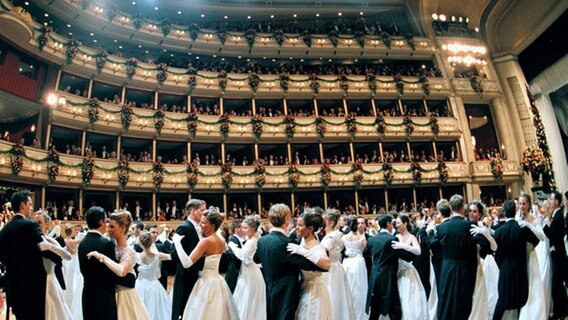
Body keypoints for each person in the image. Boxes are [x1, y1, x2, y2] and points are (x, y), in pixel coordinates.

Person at [0, 191, 67, 319]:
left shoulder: (5, 230)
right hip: (33, 287)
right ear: (23, 205)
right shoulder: (30, 225)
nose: (31, 208)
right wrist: (59, 259)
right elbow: (45, 249)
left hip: (14, 287)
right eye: (30, 204)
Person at [254, 203, 326, 320]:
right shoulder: (286, 243)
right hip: (287, 293)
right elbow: (309, 265)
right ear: (287, 219)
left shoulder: (262, 240)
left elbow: (256, 258)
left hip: (269, 288)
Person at [428, 195, 491, 320]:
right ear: (463, 207)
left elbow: (431, 244)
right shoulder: (470, 226)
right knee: (465, 302)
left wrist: (430, 232)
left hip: (447, 269)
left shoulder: (441, 228)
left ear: (451, 208)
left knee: (448, 301)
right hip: (466, 269)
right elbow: (486, 246)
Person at [172, 207, 239, 319]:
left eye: (203, 223)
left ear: (212, 225)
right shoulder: (221, 240)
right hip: (217, 281)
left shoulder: (206, 242)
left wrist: (177, 243)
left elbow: (187, 263)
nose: (200, 225)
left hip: (206, 283)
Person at [85, 210, 150, 320]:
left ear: (122, 228)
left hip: (125, 296)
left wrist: (102, 257)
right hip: (109, 295)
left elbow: (121, 271)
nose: (108, 229)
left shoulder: (129, 251)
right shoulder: (109, 246)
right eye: (108, 226)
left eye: (112, 227)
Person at [493, 200, 538, 319]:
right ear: (515, 211)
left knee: (502, 298)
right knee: (520, 297)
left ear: (504, 213)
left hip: (505, 267)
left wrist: (501, 264)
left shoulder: (499, 231)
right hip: (520, 266)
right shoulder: (522, 229)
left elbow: (496, 252)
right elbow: (536, 241)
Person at [366, 214, 415, 320]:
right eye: (391, 223)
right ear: (388, 223)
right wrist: (411, 250)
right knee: (394, 307)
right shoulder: (391, 239)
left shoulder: (371, 240)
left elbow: (366, 253)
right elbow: (406, 256)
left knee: (375, 308)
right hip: (387, 277)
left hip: (374, 276)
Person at [287, 209, 332, 320]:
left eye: (300, 225)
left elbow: (327, 264)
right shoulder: (302, 241)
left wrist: (304, 252)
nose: (296, 227)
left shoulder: (316, 246)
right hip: (304, 287)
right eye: (296, 224)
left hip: (314, 291)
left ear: (310, 229)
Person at [171, 199, 206, 320]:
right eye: (202, 210)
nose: (204, 213)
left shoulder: (200, 228)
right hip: (186, 276)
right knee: (184, 308)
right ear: (192, 211)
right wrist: (189, 266)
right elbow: (174, 253)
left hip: (197, 275)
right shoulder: (184, 227)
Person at [34, 211, 73, 319]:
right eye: (34, 223)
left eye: (39, 223)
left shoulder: (51, 241)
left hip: (49, 281)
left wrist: (49, 246)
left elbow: (67, 256)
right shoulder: (32, 240)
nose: (36, 226)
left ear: (46, 224)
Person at [516, 192, 547, 320]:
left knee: (533, 282)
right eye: (520, 204)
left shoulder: (534, 219)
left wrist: (529, 225)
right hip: (519, 255)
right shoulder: (516, 218)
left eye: (524, 204)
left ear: (528, 204)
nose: (522, 206)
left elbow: (542, 237)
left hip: (530, 254)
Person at [230, 216, 267, 320]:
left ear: (253, 229)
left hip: (251, 273)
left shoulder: (252, 241)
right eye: (242, 227)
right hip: (248, 270)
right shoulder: (253, 238)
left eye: (245, 228)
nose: (243, 230)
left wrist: (232, 246)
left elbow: (243, 256)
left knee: (247, 296)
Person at [321, 209, 355, 320]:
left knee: (332, 297)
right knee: (338, 297)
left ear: (331, 222)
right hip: (336, 268)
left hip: (330, 269)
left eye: (324, 220)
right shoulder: (337, 234)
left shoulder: (331, 237)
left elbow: (322, 250)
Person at [393, 215, 429, 320]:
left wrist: (404, 246)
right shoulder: (396, 236)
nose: (397, 225)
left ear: (405, 224)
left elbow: (418, 251)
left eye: (399, 223)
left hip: (408, 271)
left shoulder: (411, 237)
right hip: (397, 271)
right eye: (396, 223)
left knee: (411, 299)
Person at [135, 231, 172, 320]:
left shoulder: (136, 257)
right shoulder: (158, 256)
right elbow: (172, 256)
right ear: (151, 242)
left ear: (140, 243)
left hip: (139, 287)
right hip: (154, 286)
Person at [543, 191, 568, 319]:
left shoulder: (557, 216)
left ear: (556, 202)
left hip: (558, 254)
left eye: (551, 200)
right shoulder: (557, 215)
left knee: (556, 285)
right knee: (559, 285)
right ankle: (563, 310)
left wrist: (545, 225)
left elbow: (553, 235)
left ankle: (560, 312)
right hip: (558, 253)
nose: (549, 202)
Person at [342, 216, 369, 320]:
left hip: (347, 263)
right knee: (359, 288)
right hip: (358, 263)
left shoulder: (344, 237)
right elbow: (364, 247)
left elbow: (341, 248)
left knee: (348, 286)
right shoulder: (362, 237)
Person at [225, 219, 244, 293]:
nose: (244, 230)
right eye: (243, 228)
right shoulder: (233, 240)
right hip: (234, 270)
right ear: (237, 229)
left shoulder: (239, 239)